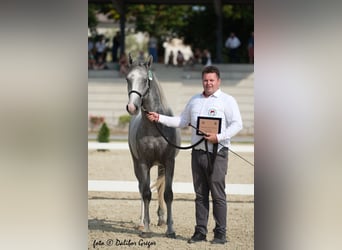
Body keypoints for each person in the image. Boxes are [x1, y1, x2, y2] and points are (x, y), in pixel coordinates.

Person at [146, 66, 243, 245]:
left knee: (218, 194)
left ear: (218, 81)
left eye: (212, 80)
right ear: (202, 81)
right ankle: (200, 232)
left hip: (218, 153)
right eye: (206, 80)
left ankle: (220, 233)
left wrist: (219, 137)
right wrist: (159, 118)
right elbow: (182, 121)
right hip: (198, 153)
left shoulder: (227, 100)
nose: (208, 83)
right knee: (200, 194)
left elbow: (237, 124)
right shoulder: (194, 100)